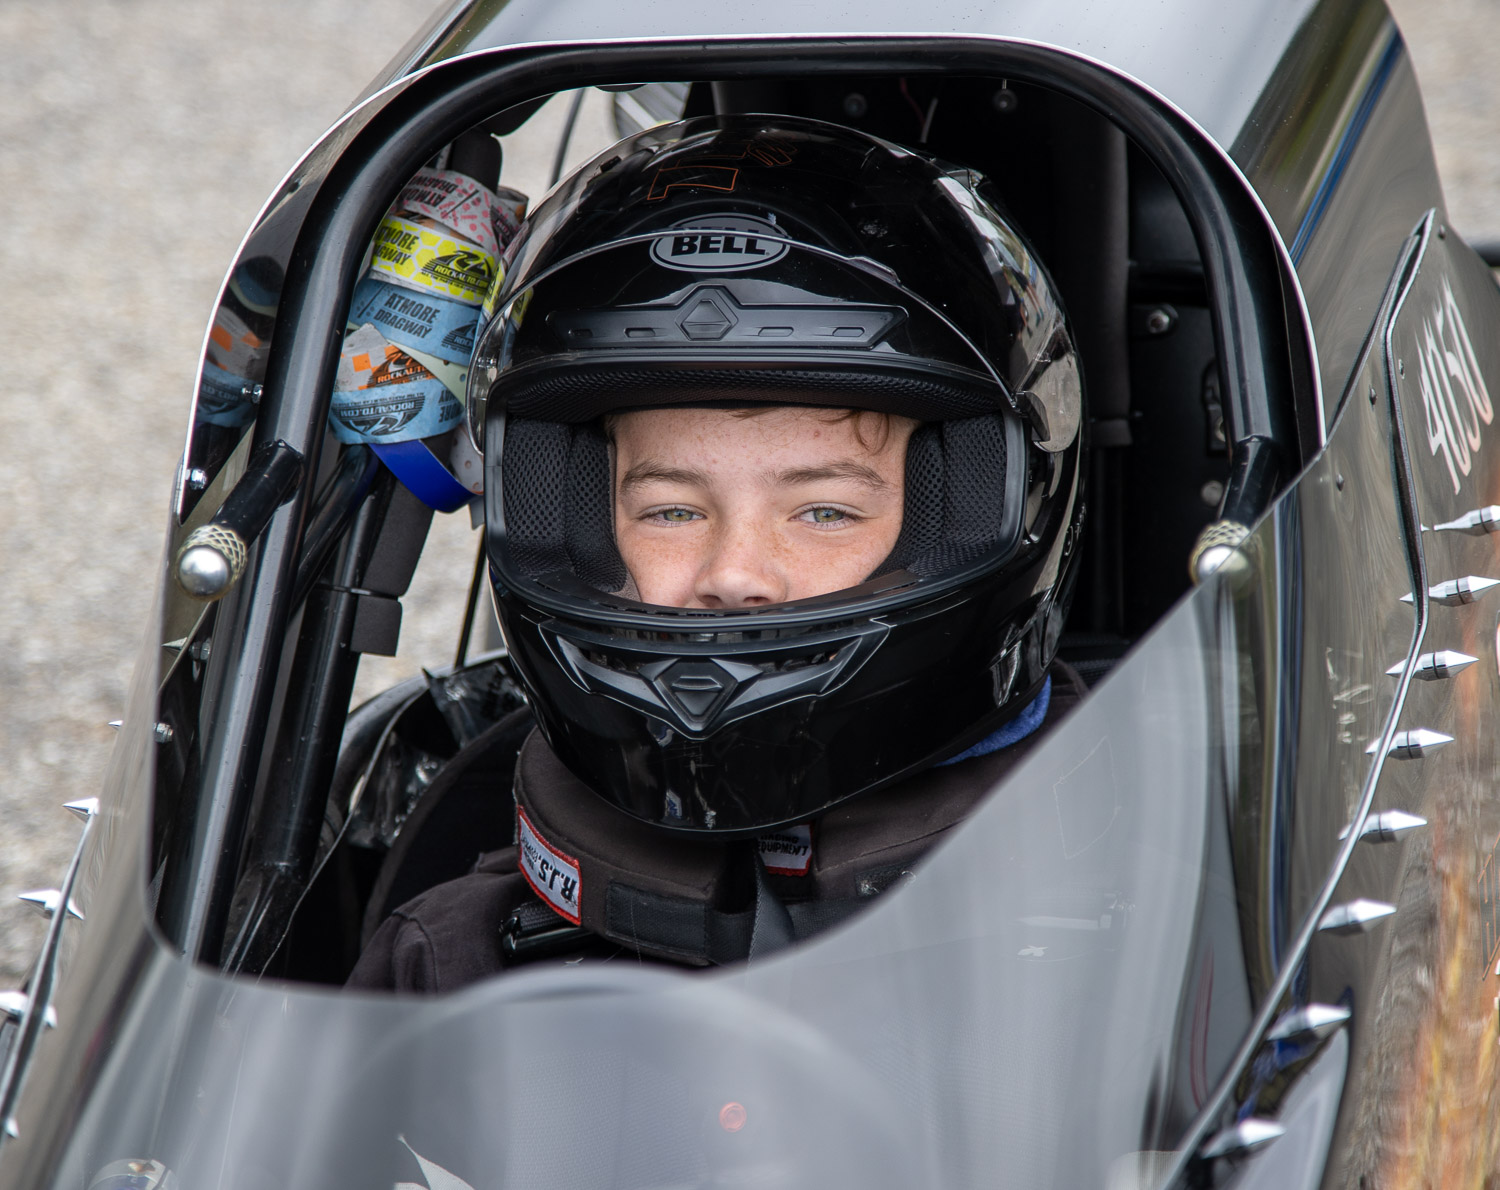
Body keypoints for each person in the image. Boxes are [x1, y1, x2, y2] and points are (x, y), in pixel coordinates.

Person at [348, 113, 1088, 992]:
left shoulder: (1163, 928)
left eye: (823, 512)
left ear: (964, 509)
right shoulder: (451, 956)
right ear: (572, 519)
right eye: (671, 511)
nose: (735, 575)